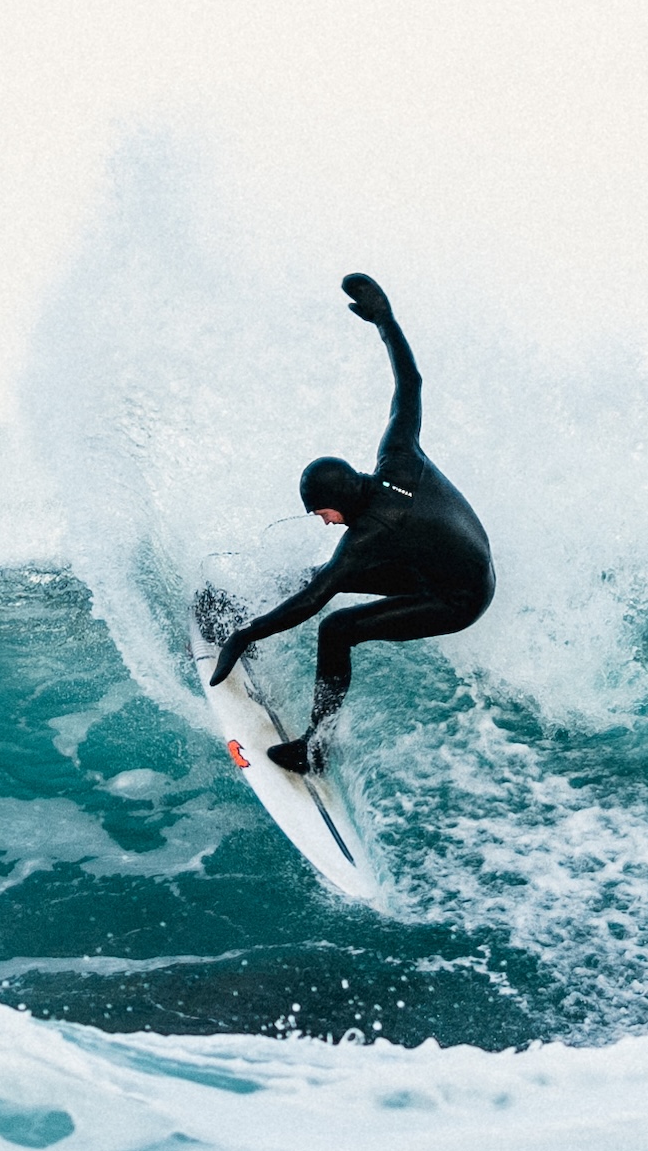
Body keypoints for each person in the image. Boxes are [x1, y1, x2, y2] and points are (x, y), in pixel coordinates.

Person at [206, 272, 496, 774]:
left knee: (337, 627)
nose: (323, 521)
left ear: (335, 499)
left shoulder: (370, 533)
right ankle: (236, 614)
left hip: (459, 598)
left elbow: (315, 603)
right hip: (442, 566)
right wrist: (385, 320)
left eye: (321, 512)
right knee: (324, 575)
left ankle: (315, 748)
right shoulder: (399, 454)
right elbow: (411, 384)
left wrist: (244, 639)